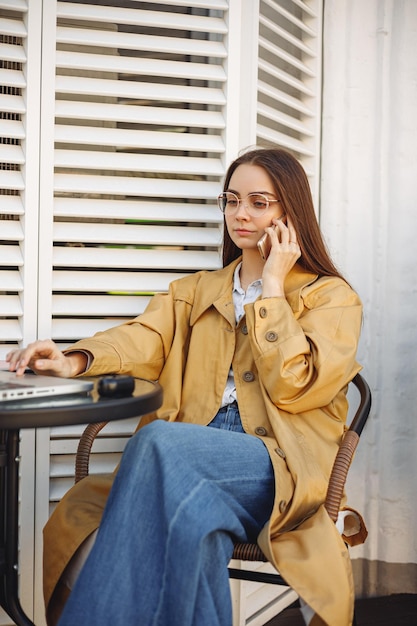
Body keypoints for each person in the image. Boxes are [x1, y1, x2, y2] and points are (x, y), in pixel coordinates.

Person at [7, 147, 365, 626]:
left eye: (260, 203)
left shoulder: (331, 298)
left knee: (158, 441)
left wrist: (274, 289)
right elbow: (143, 337)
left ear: (290, 214)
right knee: (194, 526)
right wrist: (73, 359)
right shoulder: (196, 290)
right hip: (185, 458)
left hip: (276, 463)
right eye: (232, 200)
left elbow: (294, 386)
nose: (241, 214)